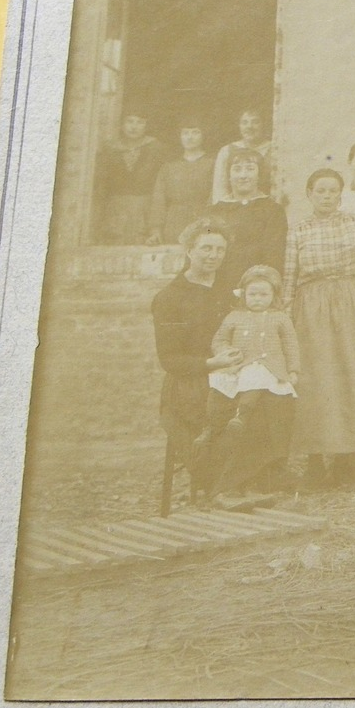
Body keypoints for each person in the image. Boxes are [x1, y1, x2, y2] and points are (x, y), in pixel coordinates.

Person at [282, 168, 355, 488]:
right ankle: (315, 461)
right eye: (320, 191)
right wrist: (286, 318)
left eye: (332, 191)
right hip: (312, 306)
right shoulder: (298, 230)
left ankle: (348, 461)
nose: (327, 197)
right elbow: (289, 278)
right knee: (317, 381)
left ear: (341, 195)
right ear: (309, 194)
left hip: (354, 302)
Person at [194, 264, 300, 501]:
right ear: (243, 295)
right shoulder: (235, 316)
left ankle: (243, 415)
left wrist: (293, 370)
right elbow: (219, 339)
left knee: (258, 380)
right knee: (219, 382)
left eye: (264, 295)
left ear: (273, 296)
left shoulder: (279, 318)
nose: (258, 300)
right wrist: (226, 351)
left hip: (269, 368)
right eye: (253, 294)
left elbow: (291, 345)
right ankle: (210, 428)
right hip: (240, 366)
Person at [151, 217, 235, 513]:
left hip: (230, 371)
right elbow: (170, 359)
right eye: (206, 248)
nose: (213, 256)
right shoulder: (170, 297)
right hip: (189, 381)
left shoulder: (230, 290)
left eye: (220, 250)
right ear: (189, 250)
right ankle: (216, 488)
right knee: (205, 409)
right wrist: (211, 363)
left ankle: (245, 483)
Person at [204, 148, 287, 298]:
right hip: (218, 286)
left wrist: (257, 287)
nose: (243, 175)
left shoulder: (272, 210)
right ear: (229, 176)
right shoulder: (215, 212)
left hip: (256, 290)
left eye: (250, 169)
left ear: (259, 174)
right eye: (237, 169)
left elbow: (274, 256)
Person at [96, 109, 167, 244]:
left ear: (147, 125)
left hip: (145, 207)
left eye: (140, 122)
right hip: (115, 209)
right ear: (122, 124)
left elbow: (162, 185)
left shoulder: (156, 148)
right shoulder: (110, 149)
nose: (134, 127)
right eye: (130, 121)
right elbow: (101, 185)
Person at [145, 120, 214, 245]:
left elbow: (215, 196)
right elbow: (158, 200)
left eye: (195, 132)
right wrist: (156, 229)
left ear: (204, 135)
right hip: (174, 222)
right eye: (185, 133)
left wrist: (209, 222)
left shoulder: (212, 164)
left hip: (202, 220)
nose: (190, 137)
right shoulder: (169, 167)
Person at [211, 108, 273, 204]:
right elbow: (219, 188)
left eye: (255, 122)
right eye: (244, 123)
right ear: (239, 126)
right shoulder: (226, 151)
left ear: (263, 125)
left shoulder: (274, 150)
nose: (249, 127)